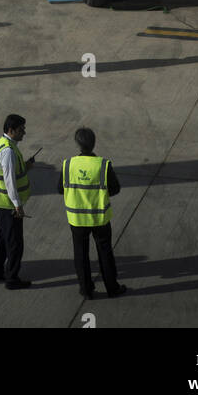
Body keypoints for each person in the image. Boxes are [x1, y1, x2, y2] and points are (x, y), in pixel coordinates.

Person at [58, 127, 126, 298]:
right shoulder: (103, 165)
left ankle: (86, 290)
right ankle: (112, 288)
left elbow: (60, 189)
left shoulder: (68, 165)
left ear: (77, 144)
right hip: (99, 218)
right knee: (105, 253)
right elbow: (115, 189)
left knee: (81, 254)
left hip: (77, 219)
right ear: (94, 144)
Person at [0, 114, 36, 289]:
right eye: (21, 129)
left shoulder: (4, 143)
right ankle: (12, 278)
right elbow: (9, 181)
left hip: (0, 202)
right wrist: (18, 206)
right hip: (7, 204)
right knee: (15, 243)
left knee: (3, 238)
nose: (24, 132)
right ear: (11, 130)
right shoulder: (8, 151)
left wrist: (25, 166)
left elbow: (11, 171)